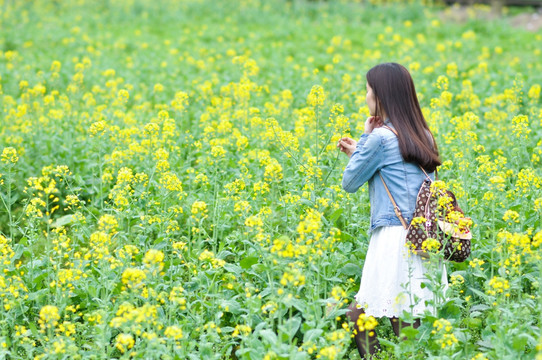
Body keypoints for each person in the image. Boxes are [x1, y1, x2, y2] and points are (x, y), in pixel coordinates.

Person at [337, 62, 448, 358]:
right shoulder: (423, 134)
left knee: (366, 316)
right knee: (404, 319)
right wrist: (362, 150)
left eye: (368, 90)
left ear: (380, 97)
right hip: (424, 236)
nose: (366, 96)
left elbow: (349, 182)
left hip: (394, 237)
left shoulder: (380, 138)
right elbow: (397, 171)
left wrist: (364, 139)